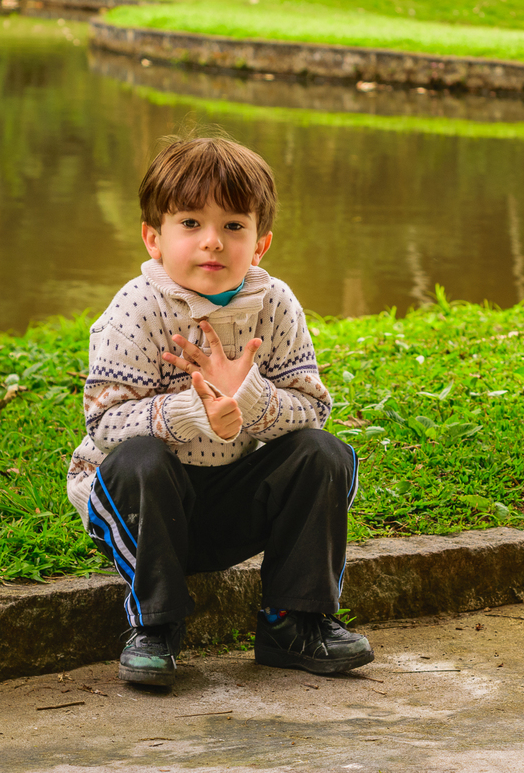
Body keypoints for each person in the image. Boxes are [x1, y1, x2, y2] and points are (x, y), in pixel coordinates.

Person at [64, 133, 372, 688]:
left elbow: (313, 409)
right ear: (153, 237)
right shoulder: (136, 306)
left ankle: (293, 622)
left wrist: (247, 399)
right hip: (144, 506)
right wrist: (194, 411)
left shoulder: (276, 304)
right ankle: (155, 627)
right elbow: (104, 425)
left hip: (229, 500)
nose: (213, 242)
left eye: (233, 225)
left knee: (322, 454)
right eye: (190, 224)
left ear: (260, 244)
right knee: (139, 461)